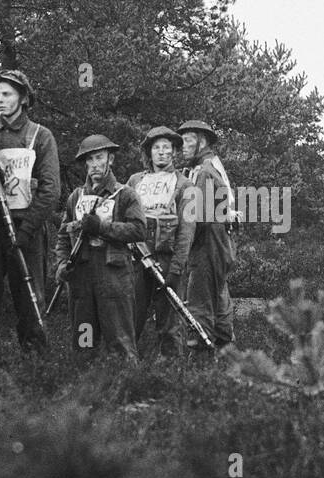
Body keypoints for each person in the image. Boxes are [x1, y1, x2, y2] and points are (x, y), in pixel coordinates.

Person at [0, 70, 60, 350]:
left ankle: (34, 361)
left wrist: (26, 231)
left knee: (30, 298)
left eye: (6, 94)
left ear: (23, 98)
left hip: (27, 230)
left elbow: (51, 190)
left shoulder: (40, 136)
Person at [53, 135, 147, 361]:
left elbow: (138, 230)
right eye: (90, 159)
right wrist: (62, 264)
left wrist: (101, 227)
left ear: (110, 159)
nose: (95, 164)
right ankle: (86, 378)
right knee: (84, 342)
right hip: (81, 279)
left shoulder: (125, 194)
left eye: (99, 158)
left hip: (113, 277)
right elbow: (63, 235)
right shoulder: (75, 197)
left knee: (120, 343)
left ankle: (128, 381)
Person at [126, 126, 196, 357]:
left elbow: (187, 231)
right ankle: (125, 367)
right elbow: (121, 217)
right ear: (149, 152)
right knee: (130, 317)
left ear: (174, 152)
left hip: (167, 258)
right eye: (156, 148)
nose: (162, 152)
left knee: (170, 323)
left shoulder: (186, 185)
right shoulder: (135, 181)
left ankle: (171, 370)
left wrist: (176, 268)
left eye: (167, 147)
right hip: (136, 259)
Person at [178, 120, 236, 351]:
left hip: (206, 244)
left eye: (187, 141)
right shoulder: (211, 165)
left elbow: (197, 218)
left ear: (201, 142)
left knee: (200, 299)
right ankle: (225, 352)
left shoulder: (203, 172)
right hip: (218, 241)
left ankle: (200, 355)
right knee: (218, 296)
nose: (182, 147)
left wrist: (181, 242)